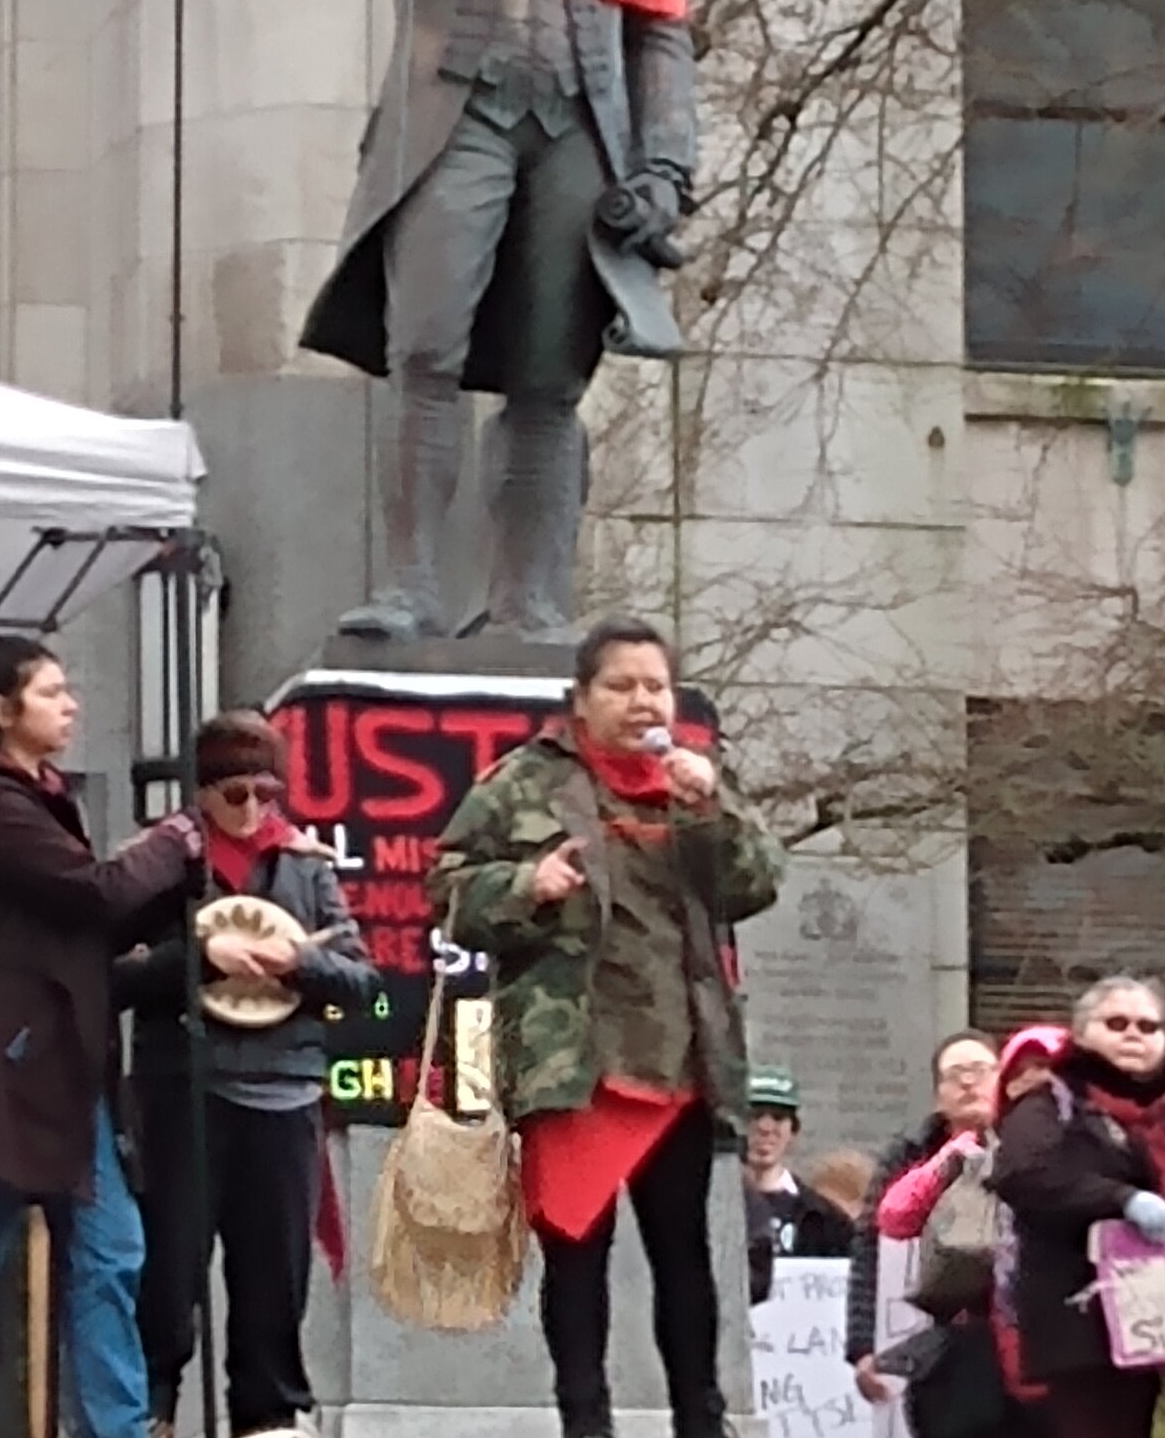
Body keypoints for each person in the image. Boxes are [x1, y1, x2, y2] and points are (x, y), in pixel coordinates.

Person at [254, 0, 696, 644]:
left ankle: (531, 604)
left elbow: (659, 26)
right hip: (458, 122)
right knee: (424, 349)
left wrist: (666, 167)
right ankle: (410, 586)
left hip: (575, 131)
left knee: (551, 377)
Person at [428, 616, 784, 1438]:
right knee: (577, 1258)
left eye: (655, 685)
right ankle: (583, 1422)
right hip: (573, 1061)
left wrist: (714, 805)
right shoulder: (525, 780)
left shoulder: (693, 781)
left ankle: (704, 1417)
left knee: (685, 1261)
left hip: (681, 1061)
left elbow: (758, 883)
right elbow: (441, 885)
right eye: (621, 685)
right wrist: (526, 881)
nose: (641, 700)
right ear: (581, 699)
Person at [0, 632, 201, 1438]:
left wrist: (180, 897)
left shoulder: (30, 801)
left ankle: (116, 1426)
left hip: (63, 1068)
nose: (71, 704)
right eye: (51, 692)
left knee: (109, 1256)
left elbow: (93, 922)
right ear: (1, 709)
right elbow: (97, 894)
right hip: (6, 1067)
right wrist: (176, 839)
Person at [121, 711, 381, 1438]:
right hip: (185, 1087)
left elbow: (364, 980)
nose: (253, 809)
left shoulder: (306, 864)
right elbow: (111, 976)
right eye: (235, 792)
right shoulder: (161, 860)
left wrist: (299, 960)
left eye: (267, 792)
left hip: (285, 1087)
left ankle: (267, 1417)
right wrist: (204, 958)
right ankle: (152, 1411)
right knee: (167, 1277)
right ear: (202, 791)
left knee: (274, 1281)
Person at [988, 976, 1165, 1438]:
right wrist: (1122, 1200)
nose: (1134, 1035)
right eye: (1117, 1023)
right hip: (1088, 1334)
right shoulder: (1049, 1105)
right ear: (1082, 1034)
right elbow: (1022, 1175)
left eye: (1148, 1025)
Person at [846, 1029, 1001, 1410]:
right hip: (930, 1339)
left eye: (980, 1070)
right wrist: (864, 1346)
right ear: (937, 1096)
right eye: (955, 1074)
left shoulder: (1026, 1143)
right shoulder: (908, 1155)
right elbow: (871, 1244)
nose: (968, 1082)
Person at [743, 1065, 852, 1303]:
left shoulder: (826, 1219)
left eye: (779, 1118)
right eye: (755, 1115)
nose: (766, 1128)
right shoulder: (706, 1209)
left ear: (793, 1132)